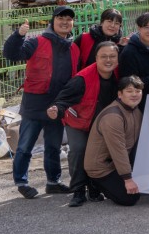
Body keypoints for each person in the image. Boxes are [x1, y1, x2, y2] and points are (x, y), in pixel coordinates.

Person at [3, 6, 80, 199]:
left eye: (69, 19)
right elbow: (11, 54)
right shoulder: (37, 42)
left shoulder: (73, 48)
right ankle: (21, 182)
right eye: (61, 18)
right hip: (34, 104)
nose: (65, 22)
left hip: (57, 106)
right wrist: (18, 35)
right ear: (52, 21)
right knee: (24, 146)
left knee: (54, 146)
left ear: (73, 24)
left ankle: (53, 182)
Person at [48, 41, 120, 207]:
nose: (108, 60)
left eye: (112, 56)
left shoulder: (119, 74)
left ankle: (95, 187)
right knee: (79, 150)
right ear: (96, 58)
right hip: (78, 121)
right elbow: (62, 100)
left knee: (100, 154)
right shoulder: (82, 79)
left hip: (100, 124)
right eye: (103, 57)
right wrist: (56, 110)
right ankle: (78, 190)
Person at [83, 75, 145, 207]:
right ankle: (93, 182)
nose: (134, 94)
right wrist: (128, 179)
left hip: (117, 163)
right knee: (130, 199)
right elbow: (118, 150)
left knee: (145, 188)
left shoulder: (135, 110)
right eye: (129, 91)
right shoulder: (113, 116)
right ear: (120, 94)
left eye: (138, 91)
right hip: (102, 167)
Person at [117, 12, 149, 100]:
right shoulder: (129, 52)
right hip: (138, 100)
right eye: (146, 27)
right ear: (139, 28)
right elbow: (129, 82)